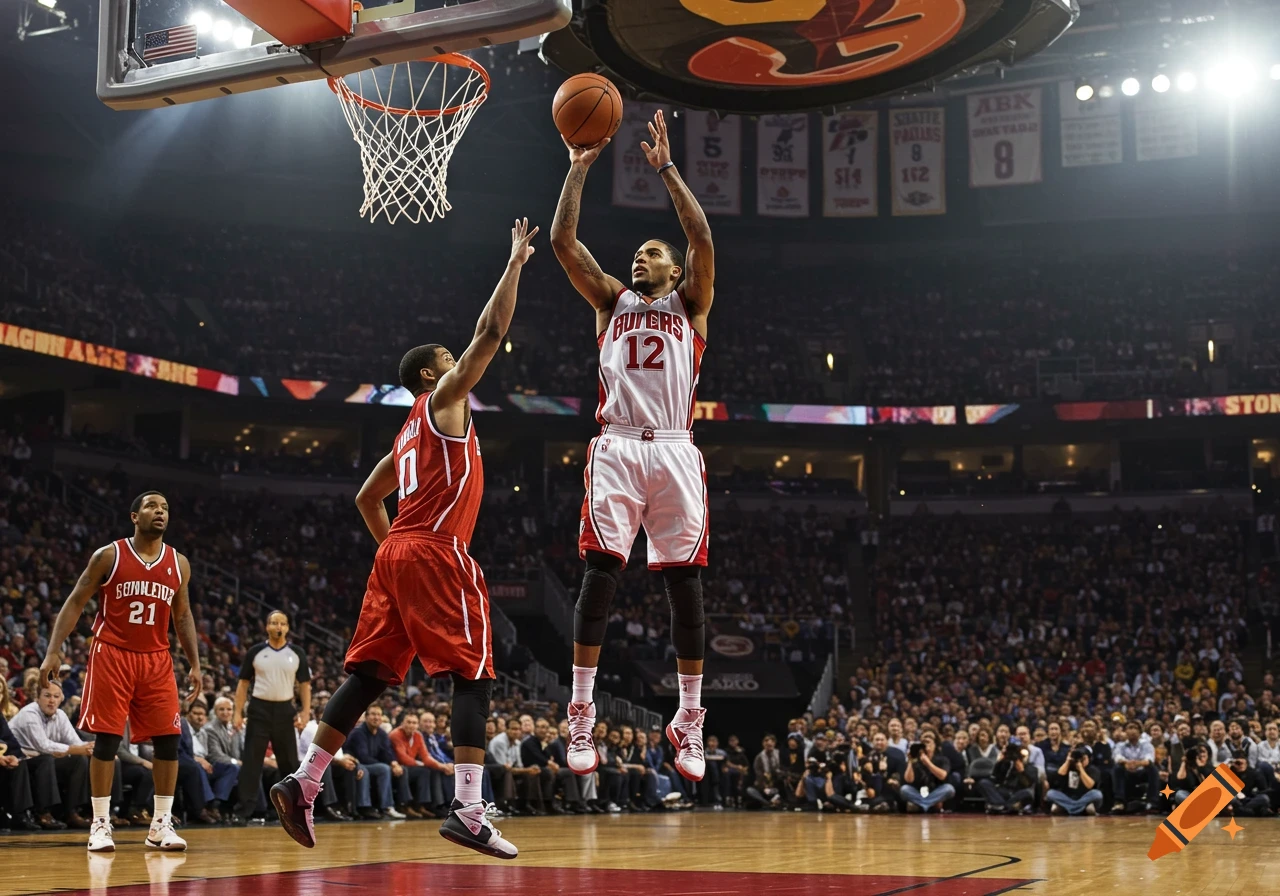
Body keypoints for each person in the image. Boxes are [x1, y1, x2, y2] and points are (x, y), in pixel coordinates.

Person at [272, 219, 538, 860]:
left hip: (394, 554)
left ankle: (305, 782)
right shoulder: (445, 401)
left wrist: (396, 553)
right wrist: (515, 265)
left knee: (367, 677)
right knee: (474, 676)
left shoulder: (403, 435)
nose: (459, 365)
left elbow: (366, 497)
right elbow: (491, 333)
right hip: (434, 549)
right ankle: (470, 810)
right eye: (448, 362)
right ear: (430, 376)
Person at [551, 109, 717, 784]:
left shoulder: (691, 305)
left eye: (651, 252)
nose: (638, 258)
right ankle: (582, 711)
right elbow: (565, 242)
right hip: (618, 445)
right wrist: (577, 167)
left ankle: (690, 719)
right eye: (638, 253)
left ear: (673, 269)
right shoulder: (610, 304)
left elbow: (702, 235)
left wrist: (667, 171)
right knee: (602, 572)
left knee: (686, 586)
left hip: (676, 448)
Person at [38, 492, 201, 853]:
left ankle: (160, 824)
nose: (160, 512)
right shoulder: (108, 555)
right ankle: (100, 824)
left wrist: (195, 661)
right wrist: (53, 651)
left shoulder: (179, 563)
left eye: (166, 508)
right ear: (134, 516)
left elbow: (183, 616)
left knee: (168, 740)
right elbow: (76, 601)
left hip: (157, 658)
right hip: (111, 652)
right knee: (108, 739)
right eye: (152, 506)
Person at [230, 610, 310, 825]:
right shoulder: (256, 652)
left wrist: (305, 711)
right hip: (259, 710)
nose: (278, 627)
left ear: (287, 627)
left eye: (282, 623)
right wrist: (237, 712)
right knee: (251, 763)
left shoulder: (297, 653)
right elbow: (243, 684)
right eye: (274, 622)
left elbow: (304, 685)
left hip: (285, 711)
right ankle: (243, 810)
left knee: (289, 763)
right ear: (267, 626)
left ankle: (291, 811)